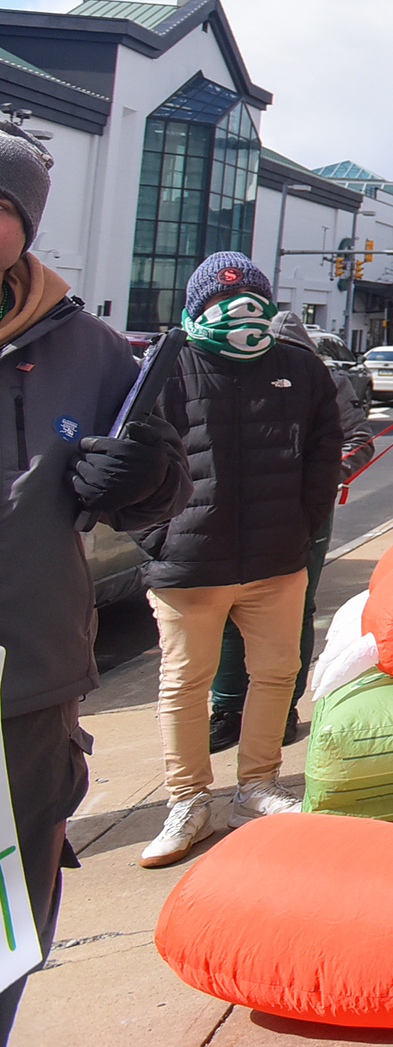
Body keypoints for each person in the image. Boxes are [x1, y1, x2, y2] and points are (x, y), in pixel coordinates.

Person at [0, 123, 185, 1041]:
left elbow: (163, 494)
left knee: (7, 912)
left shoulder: (96, 349)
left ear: (24, 226)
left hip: (24, 686)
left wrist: (143, 473)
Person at [141, 251, 345, 867]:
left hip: (276, 560)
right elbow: (132, 456)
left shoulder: (298, 368)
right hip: (189, 566)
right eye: (222, 299)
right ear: (196, 305)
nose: (240, 310)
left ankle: (256, 786)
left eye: (253, 297)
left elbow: (323, 449)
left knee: (277, 676)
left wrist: (301, 526)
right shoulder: (167, 366)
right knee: (184, 683)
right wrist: (159, 538)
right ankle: (189, 800)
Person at [207, 308, 375, 752]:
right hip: (239, 513)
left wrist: (323, 475)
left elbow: (359, 439)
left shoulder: (324, 381)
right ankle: (227, 708)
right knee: (228, 608)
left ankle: (280, 710)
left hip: (304, 514)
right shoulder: (236, 376)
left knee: (293, 609)